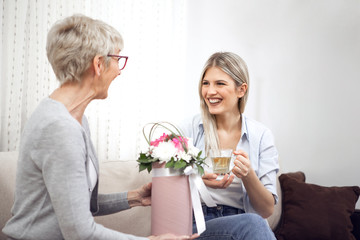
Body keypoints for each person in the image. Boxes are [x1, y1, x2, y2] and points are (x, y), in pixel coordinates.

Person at [2, 14, 197, 240]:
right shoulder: (60, 128)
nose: (119, 70)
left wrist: (134, 197)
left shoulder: (74, 119)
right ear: (97, 64)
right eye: (117, 59)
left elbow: (77, 207)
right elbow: (80, 232)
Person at [181, 52, 279, 239]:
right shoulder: (188, 130)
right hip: (199, 224)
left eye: (220, 83)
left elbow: (266, 210)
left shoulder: (261, 136)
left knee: (254, 222)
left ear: (241, 90)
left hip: (244, 222)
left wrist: (248, 176)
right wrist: (198, 181)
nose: (210, 92)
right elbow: (167, 189)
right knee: (253, 224)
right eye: (205, 83)